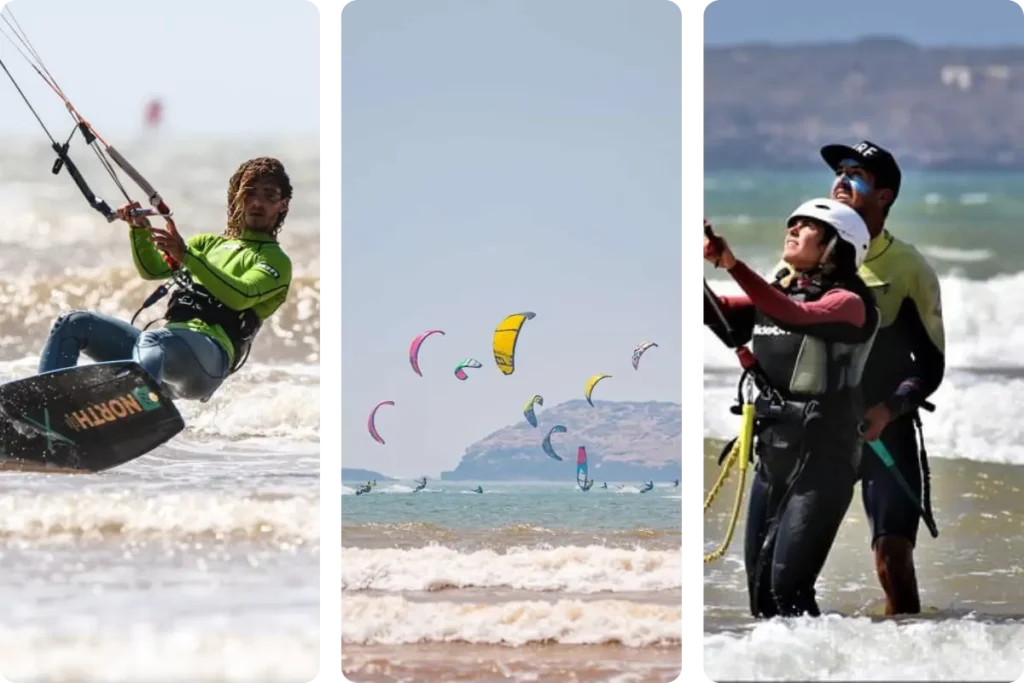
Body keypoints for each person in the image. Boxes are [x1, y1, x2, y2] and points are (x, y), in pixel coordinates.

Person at [699, 198, 879, 618]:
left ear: (836, 244)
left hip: (823, 462)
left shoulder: (849, 303)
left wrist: (732, 264)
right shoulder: (782, 292)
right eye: (791, 222)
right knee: (760, 596)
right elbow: (719, 310)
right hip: (773, 454)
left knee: (789, 591)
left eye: (807, 225)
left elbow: (794, 316)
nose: (793, 228)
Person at [37, 157, 294, 401]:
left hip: (208, 360)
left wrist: (188, 256)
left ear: (282, 204)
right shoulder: (207, 244)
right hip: (162, 354)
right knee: (74, 322)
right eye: (250, 193)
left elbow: (241, 296)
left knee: (153, 339)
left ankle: (133, 409)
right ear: (238, 198)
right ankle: (46, 408)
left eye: (269, 195)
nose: (257, 203)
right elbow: (154, 270)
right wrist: (139, 230)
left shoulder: (275, 261)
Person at [818, 140, 945, 616]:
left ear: (885, 195)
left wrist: (887, 410)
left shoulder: (909, 268)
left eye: (857, 173)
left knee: (893, 562)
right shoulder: (808, 256)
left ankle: (908, 655)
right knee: (786, 563)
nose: (840, 180)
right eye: (839, 170)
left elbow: (929, 367)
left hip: (882, 430)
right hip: (818, 432)